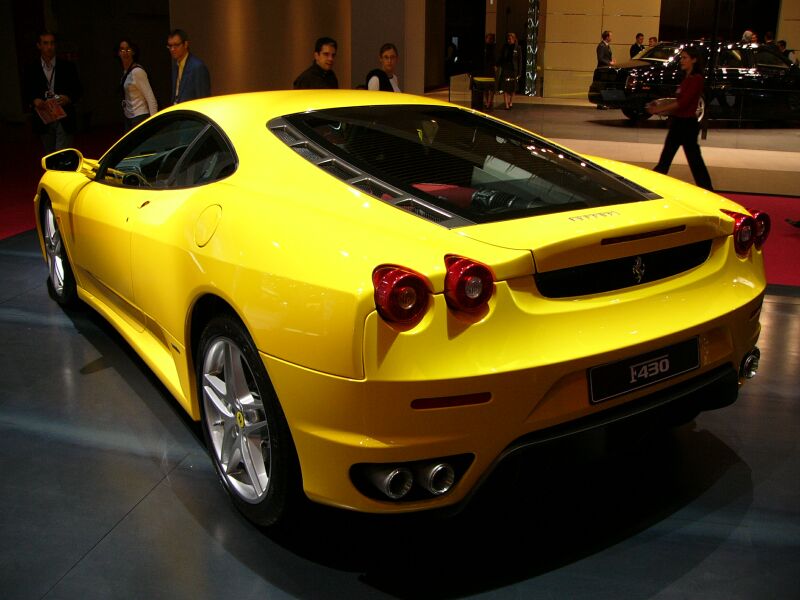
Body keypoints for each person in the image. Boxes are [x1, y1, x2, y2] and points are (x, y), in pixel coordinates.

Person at [647, 45, 713, 191]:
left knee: (694, 161)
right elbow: (679, 101)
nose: (681, 61)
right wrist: (661, 106)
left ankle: (708, 190)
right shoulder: (687, 78)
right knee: (667, 159)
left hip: (687, 125)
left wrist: (659, 109)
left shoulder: (696, 79)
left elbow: (682, 103)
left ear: (694, 60)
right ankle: (652, 188)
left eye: (685, 58)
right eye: (681, 58)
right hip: (679, 123)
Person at [22, 31, 82, 155]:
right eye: (45, 43)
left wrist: (68, 98)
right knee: (50, 155)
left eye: (52, 43)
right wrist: (34, 100)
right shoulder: (31, 68)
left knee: (62, 154)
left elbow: (78, 89)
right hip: (44, 116)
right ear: (39, 46)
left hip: (64, 115)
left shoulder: (67, 66)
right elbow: (26, 91)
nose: (49, 47)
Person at [118, 38, 158, 132]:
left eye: (128, 50)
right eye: (122, 50)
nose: (125, 53)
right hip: (129, 117)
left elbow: (151, 98)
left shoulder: (137, 72)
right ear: (119, 53)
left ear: (133, 52)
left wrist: (154, 123)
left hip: (140, 116)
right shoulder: (126, 71)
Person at [168, 29, 210, 104]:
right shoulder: (176, 66)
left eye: (176, 45)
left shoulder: (197, 67)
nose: (172, 49)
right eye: (170, 46)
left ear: (186, 44)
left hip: (191, 111)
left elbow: (203, 99)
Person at [497, 32, 522, 109]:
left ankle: (511, 102)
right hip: (506, 68)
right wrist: (498, 65)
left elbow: (520, 61)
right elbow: (501, 57)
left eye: (510, 39)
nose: (509, 40)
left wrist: (519, 72)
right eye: (508, 39)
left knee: (513, 87)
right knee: (505, 87)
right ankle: (506, 104)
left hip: (513, 69)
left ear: (514, 39)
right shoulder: (505, 47)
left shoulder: (518, 48)